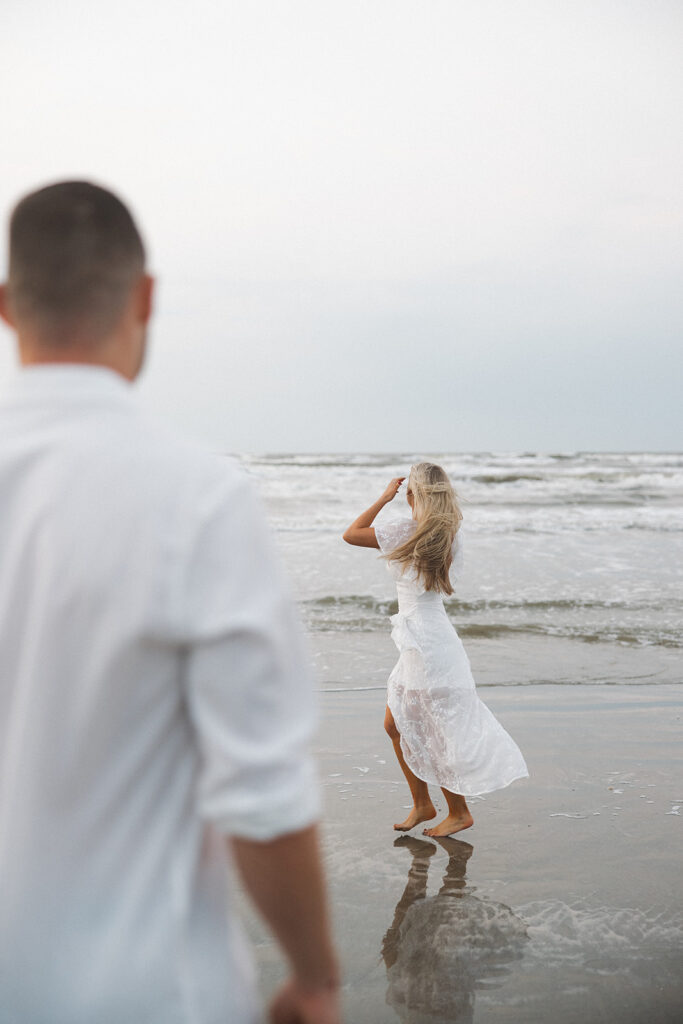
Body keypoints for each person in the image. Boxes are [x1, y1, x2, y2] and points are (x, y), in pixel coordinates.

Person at [0, 181, 340, 1024]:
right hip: (140, 989)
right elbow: (262, 795)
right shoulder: (195, 497)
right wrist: (314, 976)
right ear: (145, 297)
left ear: (6, 306)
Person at [343, 463, 528, 837]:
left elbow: (351, 534)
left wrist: (383, 497)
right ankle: (423, 804)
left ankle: (458, 811)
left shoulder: (407, 531)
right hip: (427, 639)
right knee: (397, 724)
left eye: (409, 489)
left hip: (425, 645)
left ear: (414, 494)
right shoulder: (448, 534)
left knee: (432, 729)